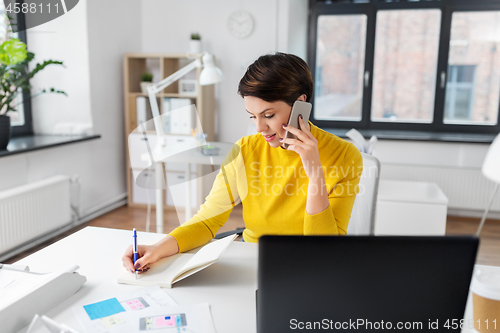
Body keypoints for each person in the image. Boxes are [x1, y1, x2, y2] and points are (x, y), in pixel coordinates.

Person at [123, 52, 363, 274]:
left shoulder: (344, 155)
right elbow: (209, 219)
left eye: (268, 115)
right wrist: (158, 248)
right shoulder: (246, 150)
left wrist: (314, 175)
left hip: (310, 268)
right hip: (254, 261)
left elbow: (324, 250)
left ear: (300, 104)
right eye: (253, 116)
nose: (259, 128)